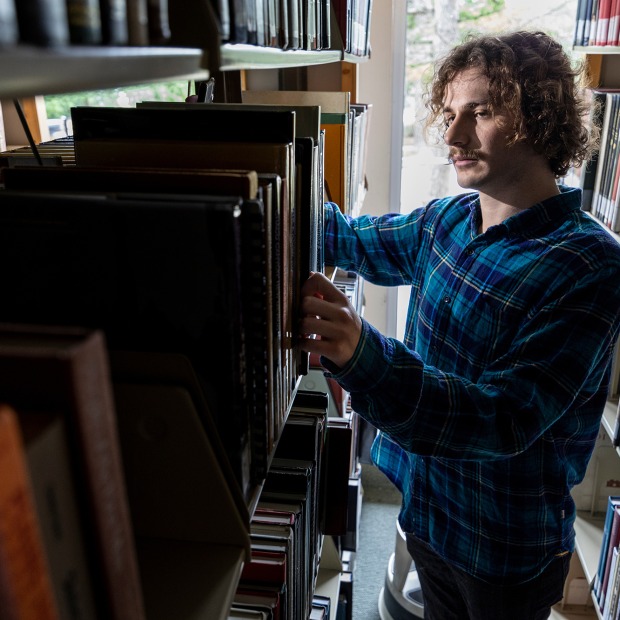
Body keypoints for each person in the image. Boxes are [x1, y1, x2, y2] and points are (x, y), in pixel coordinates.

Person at [299, 30, 620, 619]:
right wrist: (265, 179)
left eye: (481, 113)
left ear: (541, 118)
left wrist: (363, 353)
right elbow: (351, 239)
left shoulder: (590, 264)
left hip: (503, 546)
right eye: (449, 114)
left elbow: (506, 418)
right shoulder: (448, 219)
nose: (452, 136)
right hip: (426, 510)